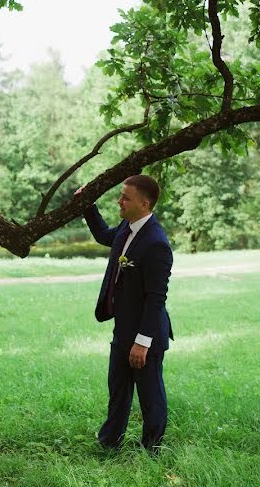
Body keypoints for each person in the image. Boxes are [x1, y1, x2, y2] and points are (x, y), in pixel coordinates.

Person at [77, 174, 174, 453]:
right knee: (118, 389)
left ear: (144, 203)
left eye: (125, 197)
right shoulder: (126, 227)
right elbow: (103, 235)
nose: (119, 201)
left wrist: (142, 343)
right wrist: (87, 204)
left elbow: (156, 298)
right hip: (123, 328)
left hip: (146, 334)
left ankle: (151, 448)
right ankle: (110, 442)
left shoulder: (156, 242)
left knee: (150, 395)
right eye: (120, 195)